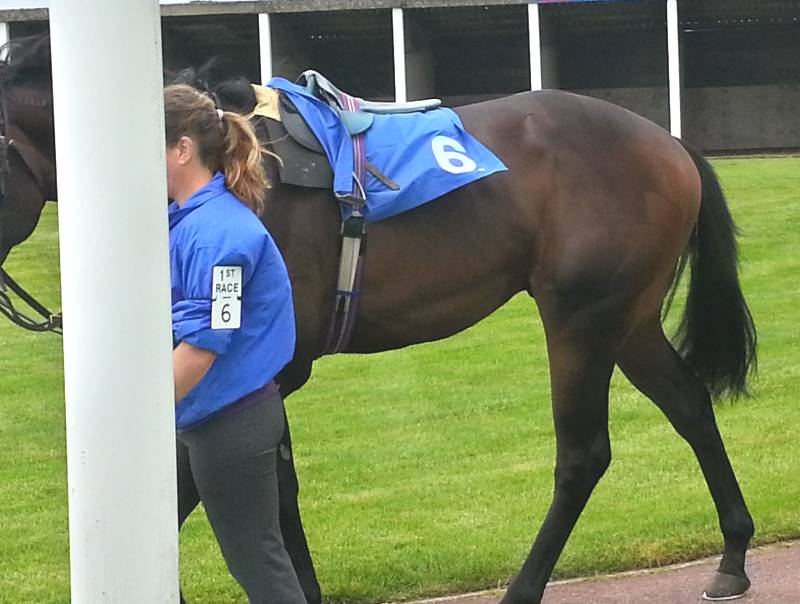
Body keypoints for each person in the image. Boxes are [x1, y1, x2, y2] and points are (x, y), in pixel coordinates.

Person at [164, 83, 305, 604]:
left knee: (258, 563)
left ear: (182, 149)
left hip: (229, 424)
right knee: (136, 530)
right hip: (204, 416)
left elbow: (205, 344)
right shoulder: (188, 220)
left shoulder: (221, 235)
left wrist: (136, 417)